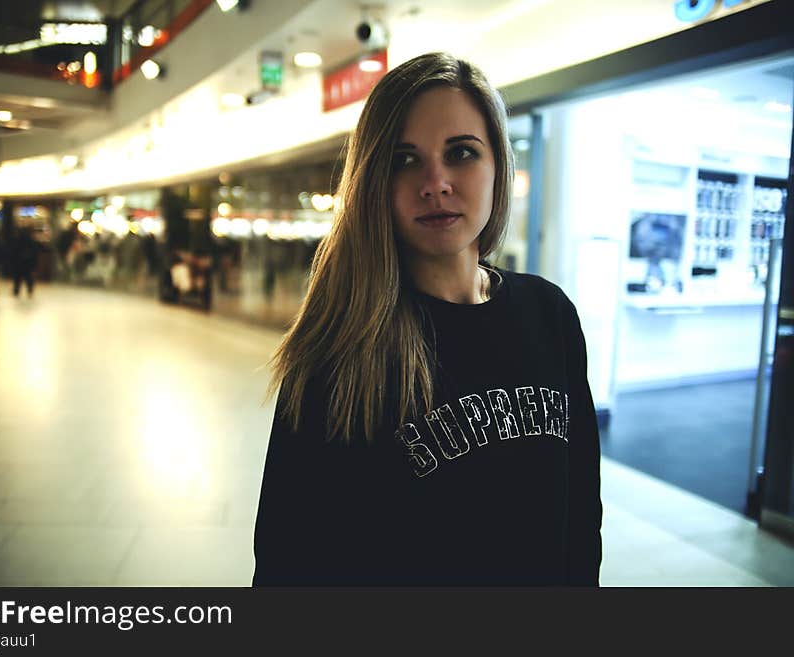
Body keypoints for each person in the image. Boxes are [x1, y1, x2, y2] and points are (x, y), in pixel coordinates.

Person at [251, 52, 602, 587]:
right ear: (375, 182)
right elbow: (287, 564)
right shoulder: (337, 353)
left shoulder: (550, 314)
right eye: (404, 160)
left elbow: (581, 511)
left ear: (498, 167)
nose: (436, 183)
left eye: (461, 152)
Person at [9, 226, 39, 297]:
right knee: (28, 277)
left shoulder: (17, 240)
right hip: (27, 263)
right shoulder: (30, 240)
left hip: (19, 262)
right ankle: (29, 290)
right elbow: (34, 252)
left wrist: (12, 261)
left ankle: (16, 290)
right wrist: (34, 263)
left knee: (18, 278)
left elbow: (13, 251)